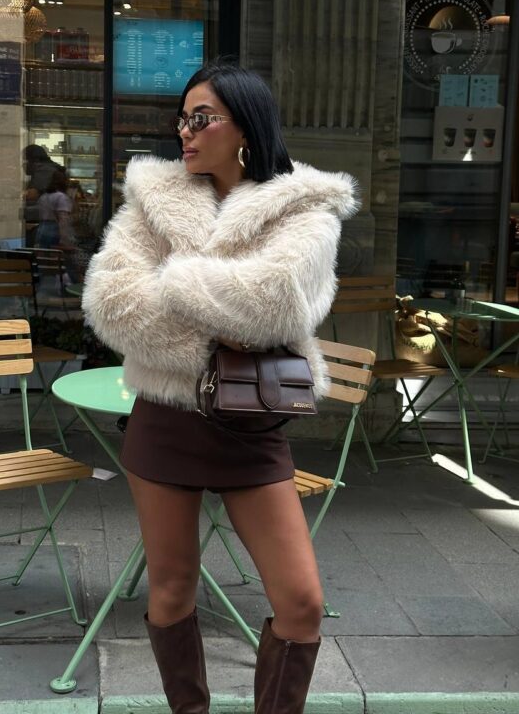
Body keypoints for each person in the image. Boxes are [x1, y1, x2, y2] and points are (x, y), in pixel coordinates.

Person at [82, 63, 359, 713]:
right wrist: (221, 319)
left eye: (201, 118)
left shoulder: (305, 206)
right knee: (171, 589)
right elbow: (112, 303)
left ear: (245, 127)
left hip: (251, 423)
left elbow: (274, 304)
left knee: (301, 603)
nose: (185, 130)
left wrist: (175, 279)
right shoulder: (153, 200)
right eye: (181, 118)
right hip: (166, 419)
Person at [23, 144, 67, 248]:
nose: (23, 164)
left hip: (48, 220)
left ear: (35, 160)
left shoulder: (44, 170)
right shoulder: (50, 168)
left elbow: (32, 195)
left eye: (25, 160)